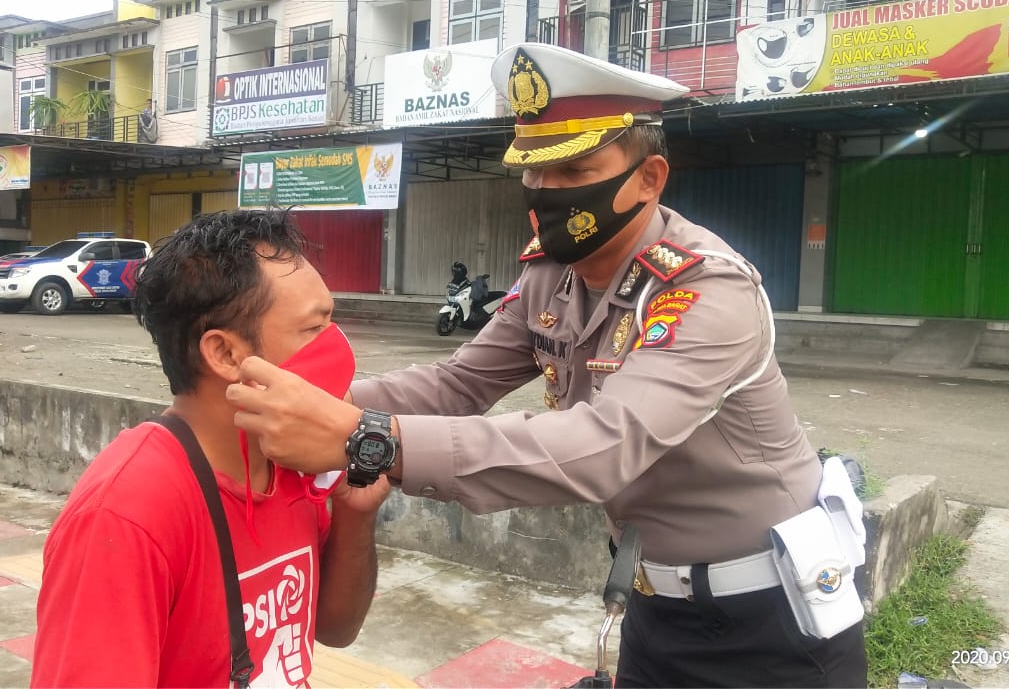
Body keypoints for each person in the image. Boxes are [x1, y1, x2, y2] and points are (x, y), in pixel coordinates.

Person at [225, 43, 868, 687]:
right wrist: (286, 400)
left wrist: (365, 438)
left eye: (576, 169)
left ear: (648, 178)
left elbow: (601, 447)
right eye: (535, 172)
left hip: (772, 617)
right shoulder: (550, 277)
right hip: (651, 604)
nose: (547, 191)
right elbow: (457, 384)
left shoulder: (706, 290)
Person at [32, 210, 389, 688]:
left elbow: (335, 629)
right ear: (224, 355)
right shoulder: (126, 513)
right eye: (313, 330)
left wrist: (356, 512)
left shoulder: (293, 461)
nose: (339, 347)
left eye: (332, 322)